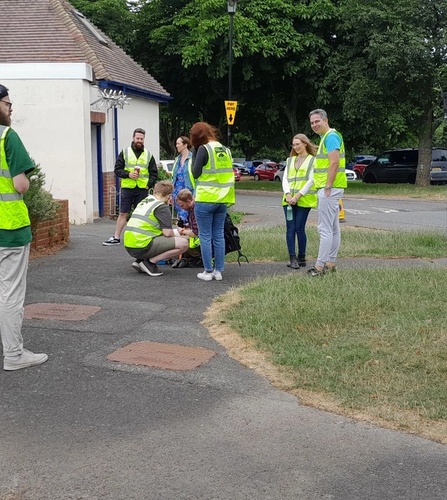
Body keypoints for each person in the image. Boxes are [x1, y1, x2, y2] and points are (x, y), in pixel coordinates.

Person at [0, 84, 48, 371]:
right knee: (10, 293)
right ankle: (14, 354)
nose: (10, 109)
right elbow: (20, 184)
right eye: (7, 104)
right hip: (10, 228)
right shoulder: (7, 136)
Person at [190, 122, 235, 281]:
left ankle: (208, 271)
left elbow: (195, 173)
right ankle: (219, 271)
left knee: (205, 236)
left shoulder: (203, 149)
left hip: (205, 199)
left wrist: (194, 152)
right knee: (218, 235)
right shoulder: (225, 150)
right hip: (222, 199)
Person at [308, 109, 346, 276]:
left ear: (326, 120)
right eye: (312, 123)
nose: (315, 125)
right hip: (332, 188)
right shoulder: (328, 137)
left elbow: (334, 163)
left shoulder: (330, 137)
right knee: (333, 227)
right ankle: (330, 263)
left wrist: (328, 187)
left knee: (324, 228)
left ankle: (319, 266)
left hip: (329, 189)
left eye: (317, 121)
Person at [103, 128, 158, 246]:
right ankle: (116, 237)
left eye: (141, 139)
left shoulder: (148, 154)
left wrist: (148, 185)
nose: (139, 141)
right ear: (133, 138)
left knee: (142, 214)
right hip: (127, 188)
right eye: (137, 138)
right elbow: (117, 170)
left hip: (142, 189)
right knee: (123, 213)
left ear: (144, 140)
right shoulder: (125, 152)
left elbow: (154, 173)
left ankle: (140, 236)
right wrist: (128, 174)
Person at [123, 180, 188, 277]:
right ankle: (150, 263)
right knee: (184, 244)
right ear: (168, 196)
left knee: (172, 238)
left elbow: (151, 228)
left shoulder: (146, 201)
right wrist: (183, 235)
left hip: (130, 244)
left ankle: (140, 260)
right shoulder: (162, 207)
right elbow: (167, 233)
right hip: (142, 245)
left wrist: (177, 232)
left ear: (155, 191)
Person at [282, 133, 317, 269]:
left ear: (305, 144)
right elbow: (285, 178)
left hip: (304, 200)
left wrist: (298, 196)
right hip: (289, 200)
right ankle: (292, 258)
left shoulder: (312, 160)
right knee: (290, 228)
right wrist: (288, 194)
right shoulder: (290, 160)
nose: (295, 147)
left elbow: (311, 180)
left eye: (298, 144)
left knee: (299, 228)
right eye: (294, 144)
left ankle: (302, 257)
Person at [171, 189, 202, 268]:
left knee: (175, 238)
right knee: (173, 233)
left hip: (198, 241)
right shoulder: (191, 209)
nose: (182, 208)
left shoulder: (196, 211)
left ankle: (194, 255)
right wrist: (186, 225)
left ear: (188, 201)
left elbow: (195, 233)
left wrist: (182, 230)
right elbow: (194, 225)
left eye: (182, 205)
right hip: (196, 236)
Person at [171, 136, 194, 225]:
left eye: (178, 143)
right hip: (177, 191)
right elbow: (173, 176)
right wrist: (171, 193)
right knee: (181, 216)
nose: (176, 146)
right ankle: (184, 233)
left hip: (188, 191)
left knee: (189, 215)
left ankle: (190, 233)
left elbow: (195, 177)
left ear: (185, 145)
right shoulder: (177, 159)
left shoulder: (192, 158)